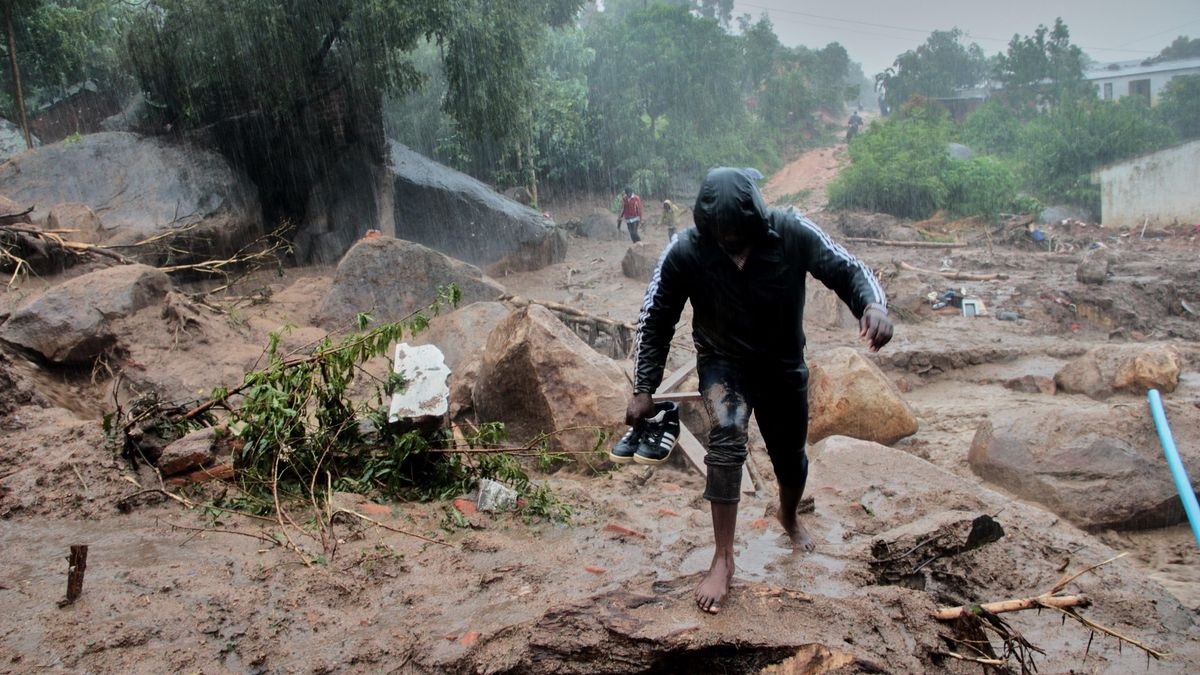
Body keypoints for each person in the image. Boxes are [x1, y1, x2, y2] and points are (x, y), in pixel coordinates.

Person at [622, 167, 893, 614]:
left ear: (758, 220)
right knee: (726, 436)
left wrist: (873, 304)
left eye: (739, 234)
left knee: (791, 460)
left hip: (783, 364)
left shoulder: (790, 231)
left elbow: (845, 268)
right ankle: (723, 557)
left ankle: (787, 513)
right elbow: (656, 319)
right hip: (723, 363)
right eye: (721, 235)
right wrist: (644, 387)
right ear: (705, 227)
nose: (731, 242)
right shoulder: (686, 250)